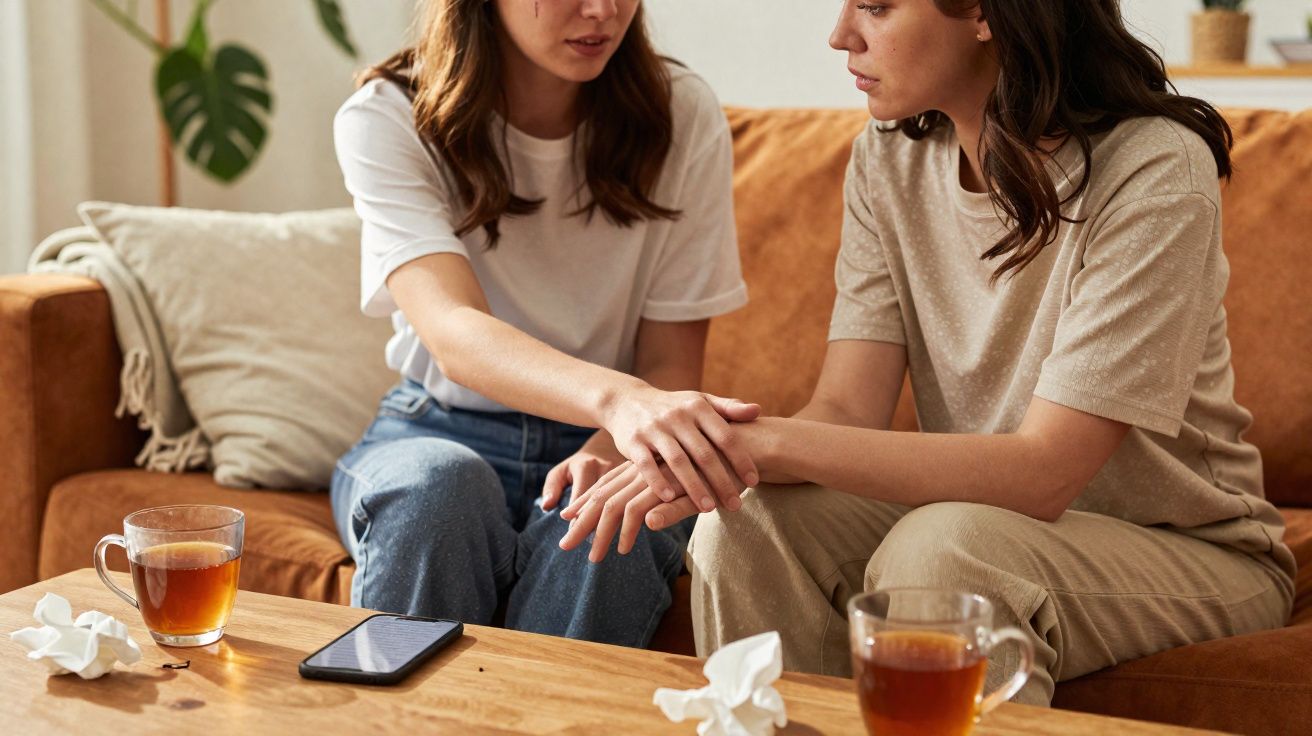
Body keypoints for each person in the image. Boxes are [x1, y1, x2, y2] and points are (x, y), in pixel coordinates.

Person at [559, 0, 1295, 702]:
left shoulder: (1154, 167)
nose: (840, 34)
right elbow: (848, 407)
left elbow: (1046, 471)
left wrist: (759, 441)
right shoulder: (887, 162)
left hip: (1188, 550)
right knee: (747, 520)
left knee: (946, 552)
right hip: (984, 523)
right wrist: (722, 458)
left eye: (876, 8)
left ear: (983, 13)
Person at [330, 0, 755, 649]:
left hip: (610, 439)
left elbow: (670, 365)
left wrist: (614, 439)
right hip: (438, 427)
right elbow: (455, 333)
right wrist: (622, 402)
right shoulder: (389, 115)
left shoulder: (681, 113)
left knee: (617, 526)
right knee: (437, 491)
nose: (603, 11)